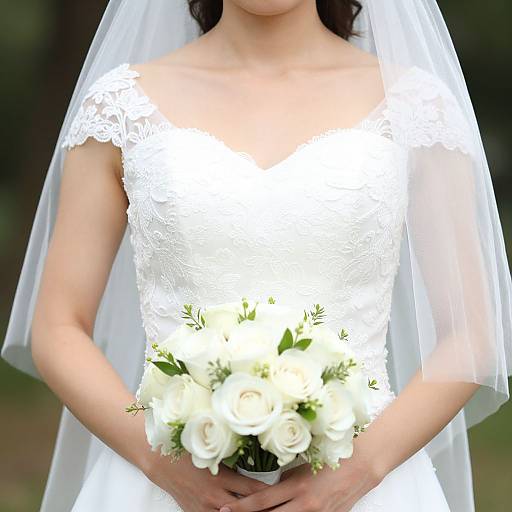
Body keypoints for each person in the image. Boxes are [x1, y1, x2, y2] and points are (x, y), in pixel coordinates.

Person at [2, 1, 511, 511]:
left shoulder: (416, 106)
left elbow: (472, 335)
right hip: (164, 485)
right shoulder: (121, 106)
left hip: (366, 490)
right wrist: (160, 461)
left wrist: (356, 474)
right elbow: (58, 326)